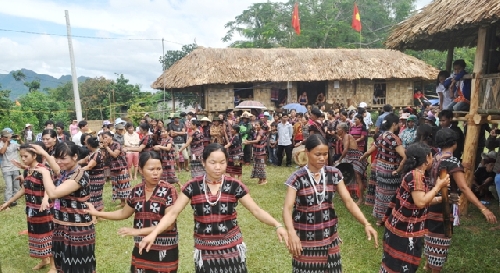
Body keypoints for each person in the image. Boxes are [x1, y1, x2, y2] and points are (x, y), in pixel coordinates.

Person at [138, 143, 288, 272]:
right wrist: (154, 233)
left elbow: (256, 210)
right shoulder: (192, 187)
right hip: (205, 252)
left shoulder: (234, 186)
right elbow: (173, 213)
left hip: (232, 249)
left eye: (222, 162)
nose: (218, 167)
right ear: (203, 162)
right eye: (212, 162)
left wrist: (277, 225)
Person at [283, 134, 378, 272]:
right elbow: (287, 208)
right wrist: (291, 234)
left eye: (325, 154)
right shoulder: (297, 177)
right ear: (307, 152)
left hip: (329, 238)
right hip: (305, 239)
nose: (322, 158)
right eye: (317, 154)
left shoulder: (334, 173)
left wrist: (366, 223)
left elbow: (349, 202)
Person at [85, 151, 179, 272]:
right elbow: (124, 213)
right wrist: (96, 213)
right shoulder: (136, 191)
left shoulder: (169, 190)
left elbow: (169, 224)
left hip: (164, 249)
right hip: (141, 247)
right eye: (151, 169)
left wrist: (137, 231)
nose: (156, 173)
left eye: (159, 168)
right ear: (140, 170)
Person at [425, 128, 497, 272]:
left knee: (430, 234)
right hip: (444, 205)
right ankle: (434, 268)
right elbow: (463, 188)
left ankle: (428, 264)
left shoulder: (434, 157)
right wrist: (483, 208)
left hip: (431, 201)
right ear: (455, 143)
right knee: (441, 240)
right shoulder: (452, 162)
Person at [380, 142, 450, 273]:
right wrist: (438, 186)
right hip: (404, 230)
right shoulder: (416, 175)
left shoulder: (416, 174)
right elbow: (421, 202)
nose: (433, 159)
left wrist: (442, 198)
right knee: (400, 266)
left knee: (393, 264)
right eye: (431, 156)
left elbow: (423, 199)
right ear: (426, 159)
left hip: (400, 228)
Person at [33, 141, 96, 273]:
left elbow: (54, 193)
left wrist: (45, 173)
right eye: (57, 158)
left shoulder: (79, 175)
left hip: (77, 230)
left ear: (75, 156)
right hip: (61, 227)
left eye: (63, 158)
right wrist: (44, 153)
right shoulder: (65, 172)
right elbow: (55, 166)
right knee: (62, 265)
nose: (59, 162)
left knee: (79, 267)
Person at [0, 143, 56, 272]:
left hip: (44, 209)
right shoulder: (27, 170)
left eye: (26, 156)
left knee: (48, 236)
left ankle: (53, 266)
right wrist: (9, 202)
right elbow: (24, 189)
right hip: (32, 209)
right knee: (36, 236)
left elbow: (50, 186)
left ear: (35, 155)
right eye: (21, 157)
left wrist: (46, 199)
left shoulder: (43, 169)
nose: (23, 159)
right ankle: (44, 260)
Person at [361, 113, 406, 226]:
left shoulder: (381, 136)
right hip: (391, 171)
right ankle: (390, 218)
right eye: (398, 123)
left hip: (380, 169)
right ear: (394, 124)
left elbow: (372, 149)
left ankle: (381, 218)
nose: (400, 125)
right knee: (391, 195)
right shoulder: (394, 138)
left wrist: (363, 156)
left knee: (381, 194)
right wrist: (399, 169)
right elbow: (404, 156)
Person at [335, 123, 368, 204]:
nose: (336, 130)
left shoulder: (347, 136)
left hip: (356, 157)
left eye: (337, 129)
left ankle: (361, 199)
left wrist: (339, 160)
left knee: (357, 177)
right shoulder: (344, 137)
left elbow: (345, 149)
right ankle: (348, 194)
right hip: (350, 157)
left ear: (342, 130)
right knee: (346, 175)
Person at [101, 131, 132, 208]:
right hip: (113, 169)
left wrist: (106, 147)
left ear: (111, 137)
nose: (104, 139)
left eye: (106, 137)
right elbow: (105, 159)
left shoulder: (116, 144)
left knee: (124, 186)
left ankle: (129, 203)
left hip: (121, 168)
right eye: (103, 138)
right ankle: (122, 203)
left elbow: (115, 154)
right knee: (117, 186)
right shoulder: (106, 147)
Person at [81, 137, 106, 214]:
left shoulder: (96, 154)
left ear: (89, 145)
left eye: (87, 144)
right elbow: (84, 160)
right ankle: (100, 213)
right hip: (95, 177)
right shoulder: (93, 153)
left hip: (96, 178)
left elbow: (89, 166)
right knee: (97, 196)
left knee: (94, 196)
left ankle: (95, 216)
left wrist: (79, 170)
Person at [1, 129, 21, 208]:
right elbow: (2, 151)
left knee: (16, 187)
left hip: (15, 167)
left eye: (9, 137)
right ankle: (7, 204)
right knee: (9, 187)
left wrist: (20, 140)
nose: (9, 138)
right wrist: (6, 142)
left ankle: (13, 201)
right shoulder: (1, 144)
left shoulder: (14, 144)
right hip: (6, 168)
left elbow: (23, 148)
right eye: (6, 137)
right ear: (2, 137)